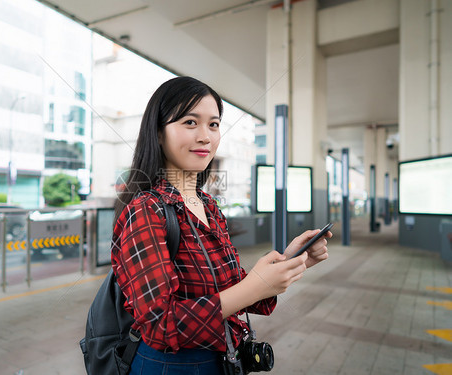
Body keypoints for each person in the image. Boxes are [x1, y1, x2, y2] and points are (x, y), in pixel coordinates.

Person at [111, 76, 331, 375]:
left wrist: (292, 260)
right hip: (170, 366)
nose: (206, 136)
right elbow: (161, 325)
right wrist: (255, 287)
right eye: (190, 122)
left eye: (214, 124)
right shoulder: (146, 210)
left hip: (222, 358)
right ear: (159, 133)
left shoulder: (209, 206)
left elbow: (236, 289)